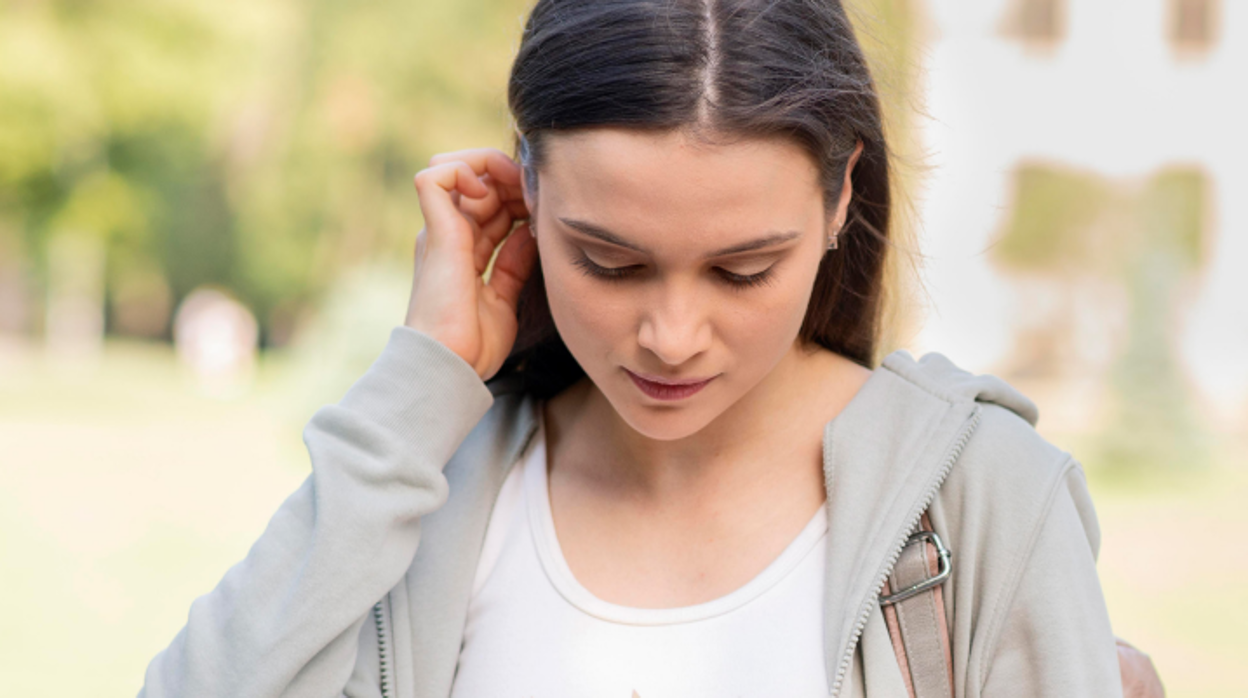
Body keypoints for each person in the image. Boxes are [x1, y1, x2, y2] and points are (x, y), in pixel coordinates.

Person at [139, 0, 1165, 696]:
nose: (672, 337)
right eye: (610, 261)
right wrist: (421, 382)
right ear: (528, 191)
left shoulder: (987, 500)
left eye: (743, 268)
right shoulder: (431, 493)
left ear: (844, 193)